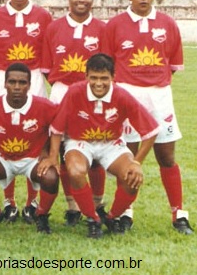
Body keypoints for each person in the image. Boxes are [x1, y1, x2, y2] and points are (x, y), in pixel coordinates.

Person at [103, 0, 193, 235]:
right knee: (128, 156)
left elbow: (172, 66)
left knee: (166, 156)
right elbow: (107, 67)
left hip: (160, 95)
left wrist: (154, 83)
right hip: (127, 94)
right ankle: (125, 212)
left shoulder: (167, 24)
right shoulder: (115, 25)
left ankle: (178, 213)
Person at [44, 54, 159, 238]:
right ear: (86, 77)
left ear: (113, 77)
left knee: (132, 177)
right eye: (94, 78)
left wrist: (137, 163)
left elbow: (151, 132)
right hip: (80, 142)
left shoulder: (121, 95)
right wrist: (52, 157)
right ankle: (93, 219)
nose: (99, 83)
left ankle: (111, 217)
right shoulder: (74, 92)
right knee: (74, 171)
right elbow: (57, 128)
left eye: (104, 78)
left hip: (111, 143)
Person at [0, 0, 52, 224]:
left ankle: (32, 202)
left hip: (34, 77)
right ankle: (9, 201)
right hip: (4, 77)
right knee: (5, 133)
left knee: (35, 133)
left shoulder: (43, 16)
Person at [40, 0, 107, 226]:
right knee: (64, 149)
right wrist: (66, 86)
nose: (81, 0)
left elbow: (108, 67)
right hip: (61, 92)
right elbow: (48, 69)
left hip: (93, 94)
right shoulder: (54, 27)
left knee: (97, 147)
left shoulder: (102, 28)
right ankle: (72, 207)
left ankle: (98, 204)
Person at [0, 63, 59, 233]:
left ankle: (41, 215)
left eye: (22, 83)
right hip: (3, 158)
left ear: (29, 86)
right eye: (12, 82)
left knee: (51, 178)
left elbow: (60, 127)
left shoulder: (44, 106)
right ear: (5, 83)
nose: (17, 87)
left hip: (33, 159)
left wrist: (50, 153)